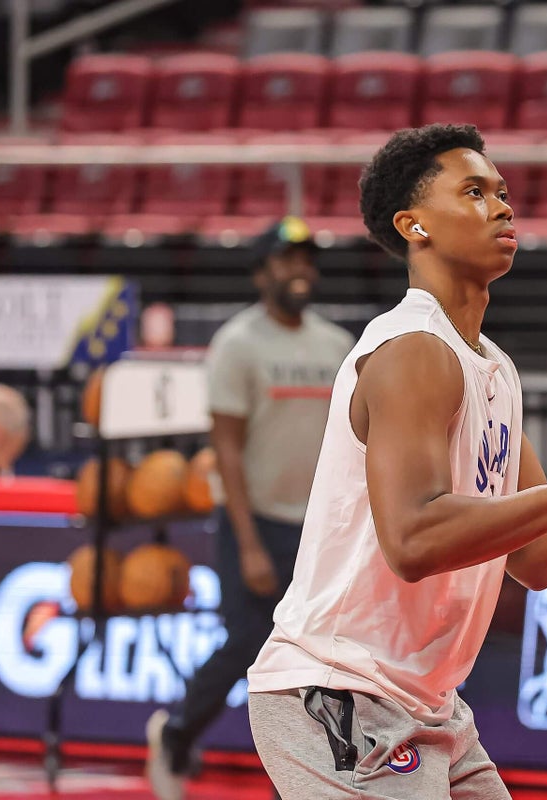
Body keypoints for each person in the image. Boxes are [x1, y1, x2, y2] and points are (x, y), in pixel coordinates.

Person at [245, 123, 547, 799]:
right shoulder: (411, 349)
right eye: (475, 192)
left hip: (430, 704)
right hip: (342, 691)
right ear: (415, 226)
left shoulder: (492, 366)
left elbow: (537, 557)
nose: (502, 207)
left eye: (504, 193)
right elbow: (414, 540)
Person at [145, 216, 356, 800]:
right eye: (287, 261)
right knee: (247, 645)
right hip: (256, 521)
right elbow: (227, 450)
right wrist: (248, 543)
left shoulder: (337, 345)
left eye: (307, 260)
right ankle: (176, 734)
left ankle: (300, 780)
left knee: (319, 662)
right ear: (262, 273)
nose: (300, 270)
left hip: (318, 531)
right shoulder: (238, 344)